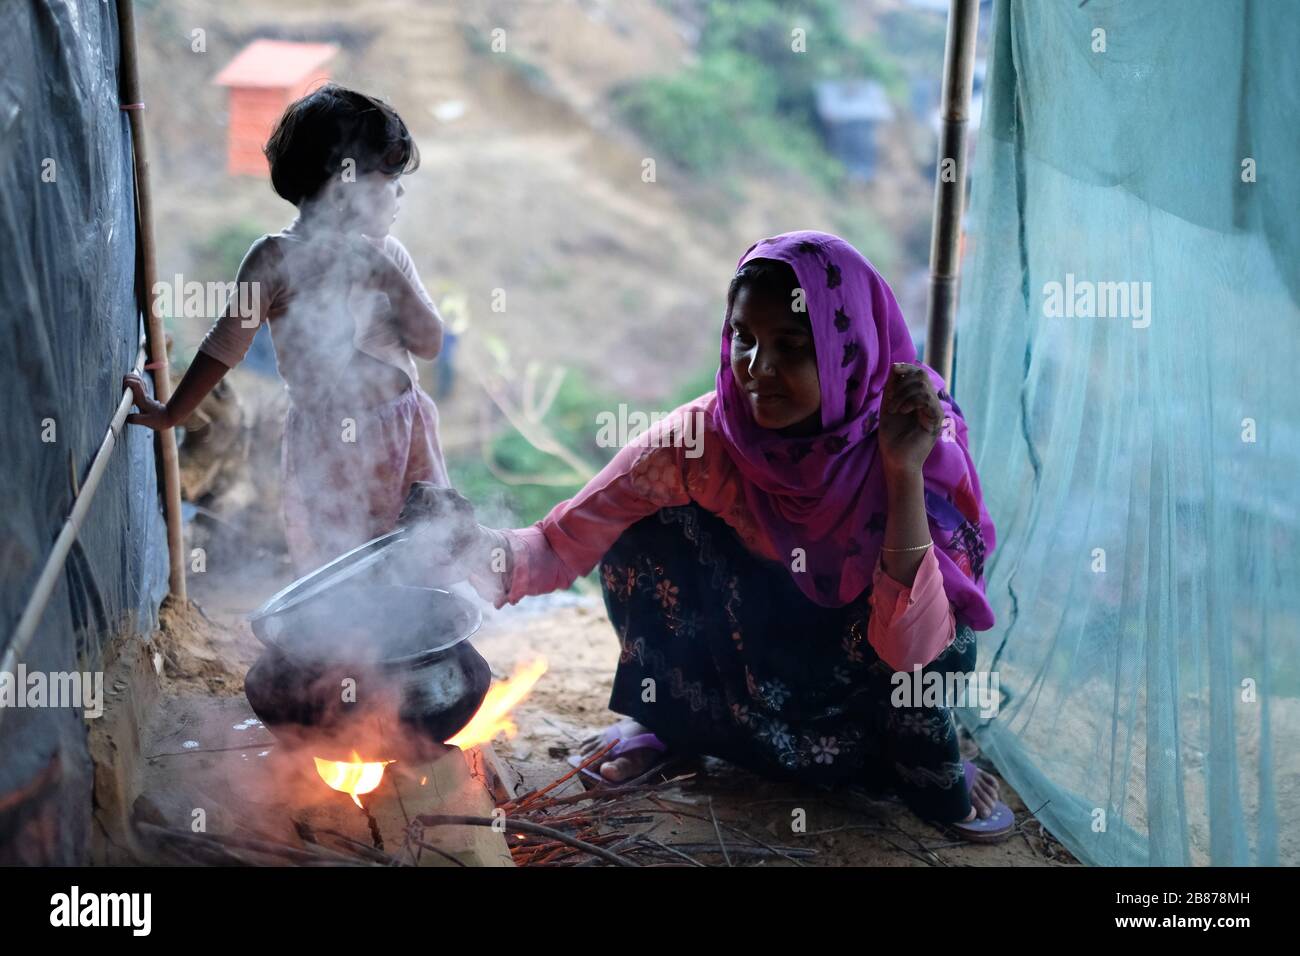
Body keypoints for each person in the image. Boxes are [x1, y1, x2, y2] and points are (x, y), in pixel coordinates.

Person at [401, 230, 1012, 841]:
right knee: (647, 516)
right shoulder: (703, 441)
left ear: (846, 350)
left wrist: (902, 471)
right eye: (744, 338)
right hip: (751, 686)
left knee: (939, 626)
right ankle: (677, 726)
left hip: (861, 700)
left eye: (791, 346)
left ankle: (925, 773)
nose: (756, 369)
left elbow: (913, 649)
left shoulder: (911, 439)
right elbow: (565, 540)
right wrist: (469, 544)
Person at [125, 85, 448, 573]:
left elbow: (429, 345)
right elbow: (225, 346)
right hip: (329, 448)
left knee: (420, 555)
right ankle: (349, 646)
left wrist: (391, 280)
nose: (400, 191)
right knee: (341, 566)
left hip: (404, 433)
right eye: (389, 179)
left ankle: (423, 643)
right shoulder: (275, 260)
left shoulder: (389, 256)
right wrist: (172, 414)